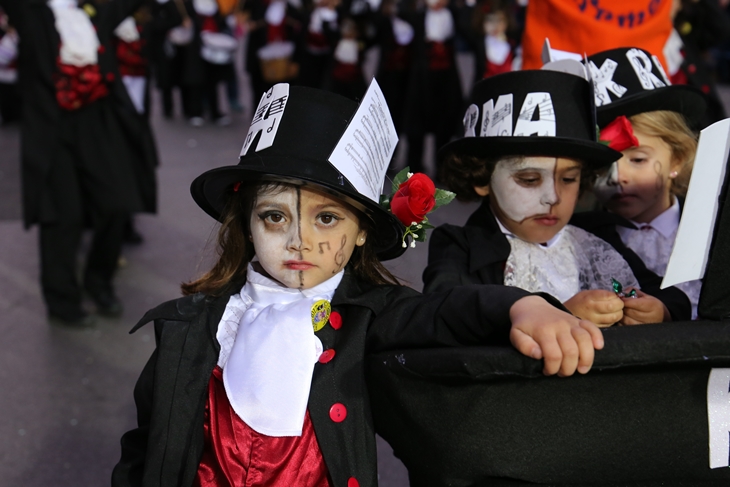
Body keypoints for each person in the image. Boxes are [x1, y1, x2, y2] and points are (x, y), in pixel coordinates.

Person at [112, 83, 604, 487]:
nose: (299, 241)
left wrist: (520, 307)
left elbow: (444, 310)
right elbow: (144, 448)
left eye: (326, 218)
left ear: (362, 229)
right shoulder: (191, 328)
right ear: (245, 224)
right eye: (274, 217)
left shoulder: (372, 314)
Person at [423, 67, 671, 327]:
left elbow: (667, 292)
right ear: (481, 179)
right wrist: (553, 313)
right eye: (529, 180)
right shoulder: (460, 247)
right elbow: (446, 312)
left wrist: (659, 309)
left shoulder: (600, 238)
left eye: (568, 179)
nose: (552, 197)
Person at [1, 0, 157, 325]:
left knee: (117, 203)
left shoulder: (96, 11)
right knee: (62, 216)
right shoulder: (31, 13)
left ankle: (99, 282)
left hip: (99, 121)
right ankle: (62, 301)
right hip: (52, 129)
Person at [572, 46, 707, 320]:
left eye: (638, 160)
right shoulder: (580, 241)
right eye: (602, 166)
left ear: (677, 159)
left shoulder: (710, 233)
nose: (618, 176)